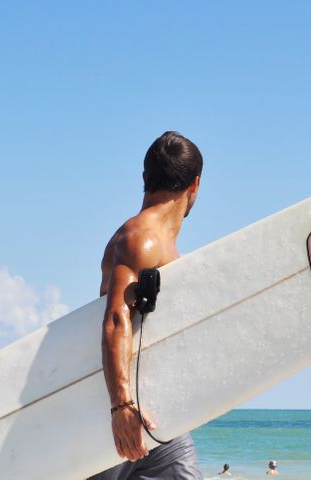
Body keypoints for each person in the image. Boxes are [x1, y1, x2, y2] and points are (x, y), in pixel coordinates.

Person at [89, 132, 204, 480]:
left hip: (154, 406)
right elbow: (115, 320)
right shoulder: (143, 239)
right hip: (117, 406)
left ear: (144, 178)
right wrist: (121, 405)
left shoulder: (160, 242)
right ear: (195, 185)